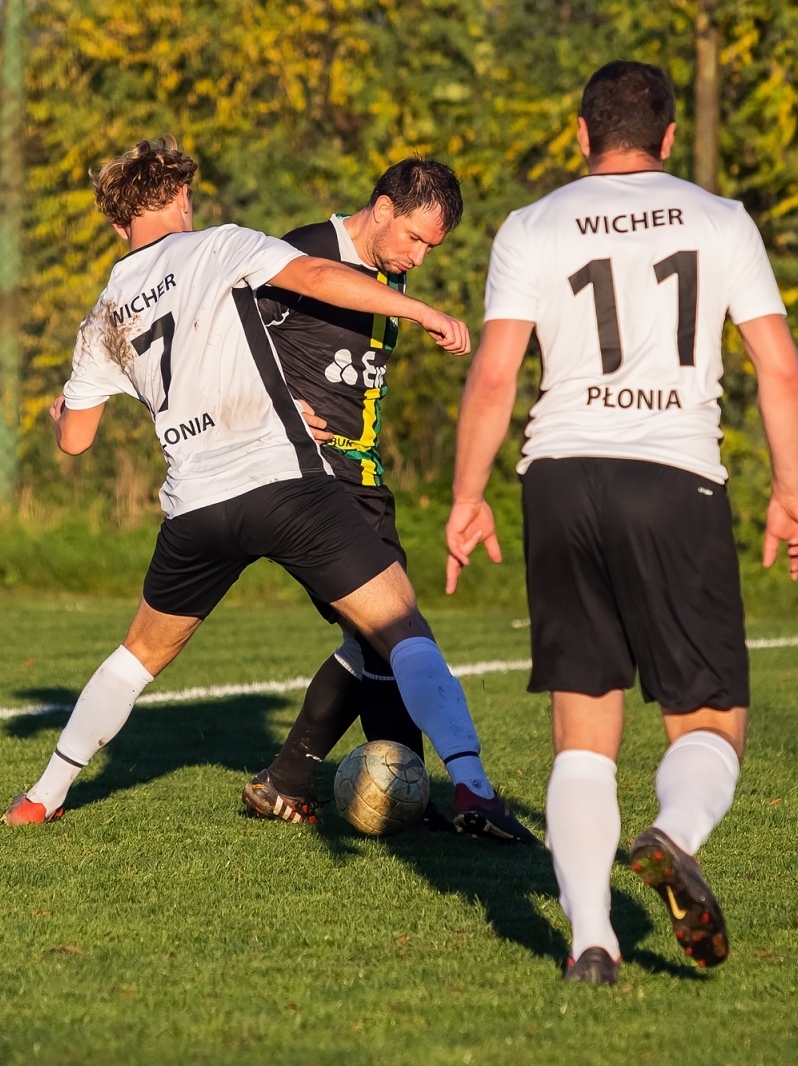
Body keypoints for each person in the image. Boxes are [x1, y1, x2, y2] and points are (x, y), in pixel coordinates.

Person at [443, 62, 798, 985]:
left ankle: (590, 945)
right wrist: (789, 487)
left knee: (584, 730)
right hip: (673, 479)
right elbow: (778, 365)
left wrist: (466, 494)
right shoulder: (721, 217)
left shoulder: (532, 224)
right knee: (708, 721)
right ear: (665, 134)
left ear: (581, 134)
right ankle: (674, 835)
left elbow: (496, 375)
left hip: (559, 478)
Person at [1, 136, 498, 828]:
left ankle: (41, 797)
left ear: (119, 224)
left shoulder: (106, 310)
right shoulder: (218, 245)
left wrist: (61, 413)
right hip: (284, 484)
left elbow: (76, 439)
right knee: (399, 622)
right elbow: (319, 278)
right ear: (180, 197)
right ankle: (472, 785)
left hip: (197, 507)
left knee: (137, 656)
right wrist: (422, 311)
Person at [241, 158, 537, 844]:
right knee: (395, 628)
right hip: (316, 477)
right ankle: (432, 790)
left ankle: (299, 781)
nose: (419, 258)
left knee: (380, 637)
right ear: (381, 209)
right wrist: (273, 409)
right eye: (414, 239)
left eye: (432, 248)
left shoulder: (391, 271)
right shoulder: (302, 254)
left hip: (362, 479)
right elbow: (224, 343)